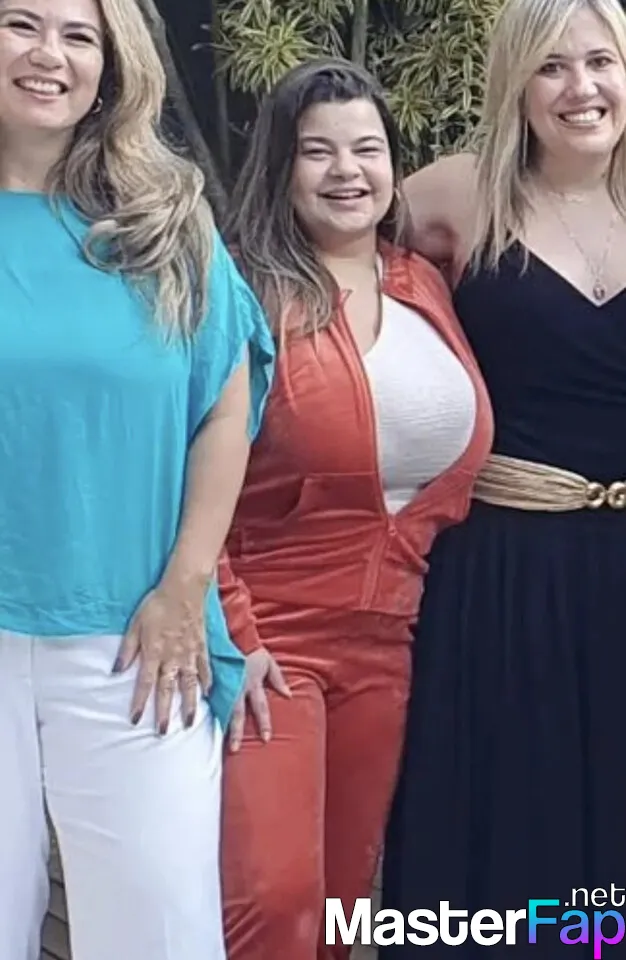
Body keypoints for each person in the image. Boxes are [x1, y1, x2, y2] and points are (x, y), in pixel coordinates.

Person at [0, 1, 274, 959]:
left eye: (79, 36)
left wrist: (185, 587)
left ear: (112, 66)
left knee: (158, 932)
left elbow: (225, 406)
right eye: (20, 24)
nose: (49, 54)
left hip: (136, 638)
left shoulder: (163, 225)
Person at [216, 58, 493, 960]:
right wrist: (233, 633)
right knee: (275, 901)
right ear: (280, 166)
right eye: (318, 151)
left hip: (390, 640)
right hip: (271, 638)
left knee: (343, 904)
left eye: (367, 148)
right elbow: (182, 477)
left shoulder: (424, 284)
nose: (347, 171)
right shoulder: (242, 294)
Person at [381, 0, 626, 956]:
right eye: (551, 66)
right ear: (514, 84)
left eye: (601, 61)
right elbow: (318, 243)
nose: (581, 88)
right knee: (514, 818)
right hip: (506, 568)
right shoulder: (458, 194)